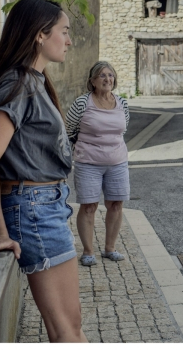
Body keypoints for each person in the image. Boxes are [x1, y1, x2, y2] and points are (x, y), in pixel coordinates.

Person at [0, 0, 87, 342]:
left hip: (47, 205)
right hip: (32, 209)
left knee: (70, 330)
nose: (69, 40)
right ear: (40, 35)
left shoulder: (35, 82)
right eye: (64, 31)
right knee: (66, 334)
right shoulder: (19, 85)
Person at [65, 61, 130, 267]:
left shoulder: (122, 103)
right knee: (89, 206)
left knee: (116, 204)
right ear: (92, 81)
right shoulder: (83, 103)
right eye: (102, 75)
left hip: (117, 162)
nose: (107, 79)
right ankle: (88, 251)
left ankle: (110, 248)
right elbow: (68, 130)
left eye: (110, 75)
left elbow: (123, 129)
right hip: (88, 163)